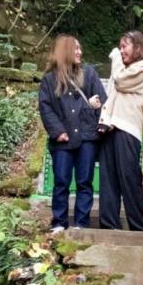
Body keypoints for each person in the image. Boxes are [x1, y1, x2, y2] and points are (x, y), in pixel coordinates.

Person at [37, 35, 105, 234]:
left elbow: (103, 100)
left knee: (85, 182)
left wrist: (101, 124)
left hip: (87, 137)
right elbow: (46, 107)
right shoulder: (50, 80)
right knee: (61, 181)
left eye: (80, 48)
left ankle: (81, 223)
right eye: (76, 49)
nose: (80, 52)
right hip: (62, 139)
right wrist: (57, 131)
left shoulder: (89, 74)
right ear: (65, 51)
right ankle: (59, 222)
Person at [97, 29, 143, 232]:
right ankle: (109, 225)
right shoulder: (120, 67)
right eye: (119, 47)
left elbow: (121, 81)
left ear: (137, 47)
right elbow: (111, 95)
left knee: (129, 177)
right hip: (109, 127)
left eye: (124, 46)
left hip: (127, 129)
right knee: (108, 179)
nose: (120, 51)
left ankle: (138, 227)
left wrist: (114, 57)